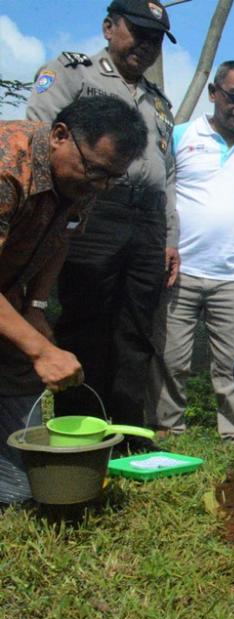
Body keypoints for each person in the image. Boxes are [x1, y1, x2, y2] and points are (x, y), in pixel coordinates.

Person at [25, 0, 180, 439]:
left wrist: (170, 236)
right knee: (87, 320)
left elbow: (168, 174)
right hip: (92, 207)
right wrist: (53, 214)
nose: (146, 45)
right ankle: (81, 431)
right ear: (109, 27)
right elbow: (39, 137)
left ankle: (128, 434)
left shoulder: (159, 102)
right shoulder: (72, 73)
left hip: (148, 219)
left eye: (155, 39)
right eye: (139, 32)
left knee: (137, 328)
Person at [0, 96, 146, 503]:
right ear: (60, 135)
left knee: (19, 369)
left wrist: (35, 308)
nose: (100, 186)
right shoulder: (8, 168)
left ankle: (13, 487)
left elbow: (61, 237)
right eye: (95, 171)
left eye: (112, 178)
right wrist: (41, 350)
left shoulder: (81, 179)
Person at [147, 61, 234, 449]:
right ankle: (166, 430)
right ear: (213, 93)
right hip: (179, 270)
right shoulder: (180, 136)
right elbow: (159, 191)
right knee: (170, 357)